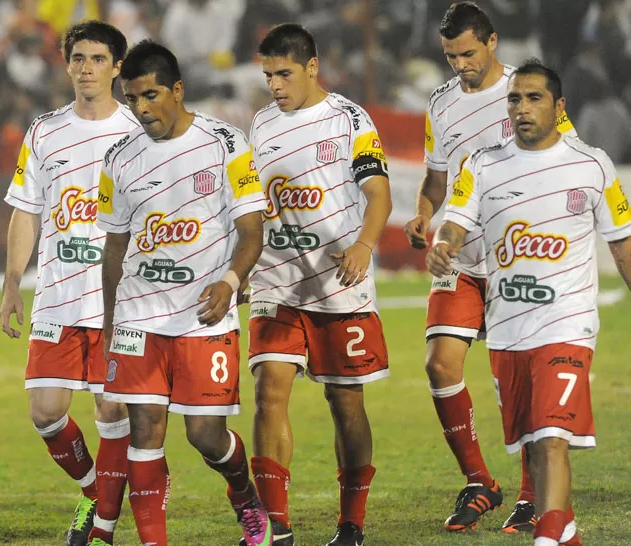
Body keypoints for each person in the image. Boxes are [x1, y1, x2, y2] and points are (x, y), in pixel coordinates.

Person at [428, 59, 631, 546]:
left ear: (559, 107)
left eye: (534, 98)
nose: (522, 108)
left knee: (552, 437)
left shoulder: (592, 165)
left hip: (567, 326)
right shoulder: (483, 165)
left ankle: (546, 537)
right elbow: (456, 218)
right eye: (515, 98)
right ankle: (565, 534)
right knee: (533, 448)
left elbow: (623, 244)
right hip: (507, 331)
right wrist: (444, 242)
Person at [404, 2, 575, 532]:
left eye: (469, 53)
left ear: (493, 42)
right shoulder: (440, 102)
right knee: (440, 364)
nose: (461, 65)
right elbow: (437, 176)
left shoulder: (525, 92)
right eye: (452, 56)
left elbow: (563, 156)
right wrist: (423, 213)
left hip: (514, 256)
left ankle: (530, 496)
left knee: (516, 380)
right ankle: (480, 481)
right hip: (457, 254)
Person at [97, 39, 271, 546]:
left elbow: (253, 230)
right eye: (131, 98)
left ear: (177, 89)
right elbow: (114, 247)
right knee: (145, 431)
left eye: (150, 95)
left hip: (203, 316)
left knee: (204, 436)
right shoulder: (118, 159)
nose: (141, 108)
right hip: (139, 316)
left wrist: (231, 280)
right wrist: (111, 321)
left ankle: (246, 499)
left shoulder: (227, 143)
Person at [244, 23, 393, 546]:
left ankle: (351, 523)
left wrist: (364, 246)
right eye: (268, 75)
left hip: (337, 280)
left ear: (312, 68)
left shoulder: (349, 118)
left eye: (284, 73)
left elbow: (378, 193)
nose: (275, 85)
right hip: (276, 278)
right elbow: (249, 207)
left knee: (344, 400)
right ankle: (274, 526)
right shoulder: (260, 124)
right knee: (268, 391)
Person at [0, 21, 138, 546]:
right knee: (46, 411)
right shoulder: (44, 131)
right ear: (66, 64)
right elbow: (26, 213)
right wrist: (13, 281)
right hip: (56, 297)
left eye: (98, 59)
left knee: (112, 408)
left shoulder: (135, 131)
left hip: (116, 304)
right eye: (78, 57)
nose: (86, 67)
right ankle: (93, 492)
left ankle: (101, 527)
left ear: (117, 67)